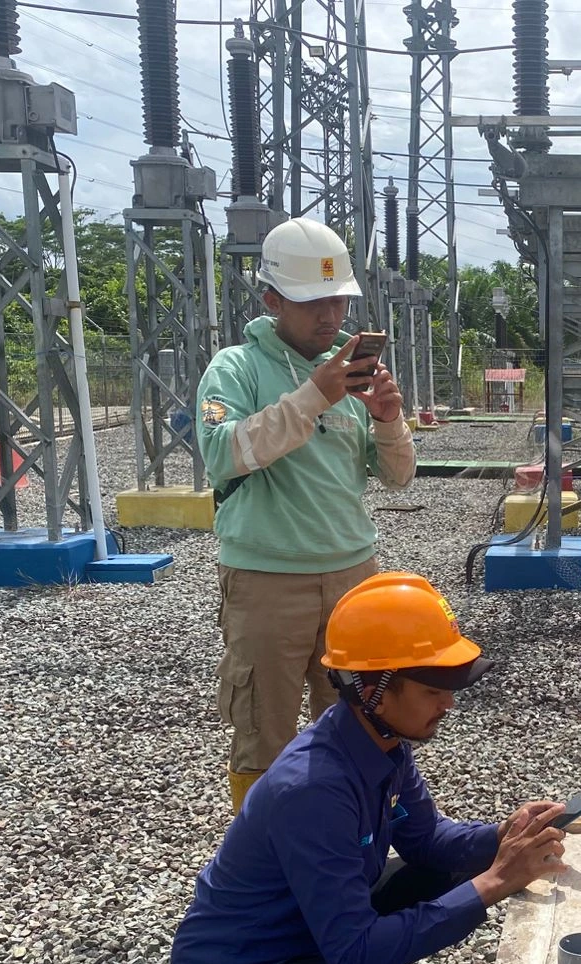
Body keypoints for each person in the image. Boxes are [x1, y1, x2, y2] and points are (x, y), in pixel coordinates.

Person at [169, 572, 568, 964]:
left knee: (435, 875)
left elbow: (429, 842)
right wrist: (495, 882)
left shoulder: (382, 744)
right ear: (375, 688)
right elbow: (354, 955)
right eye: (432, 690)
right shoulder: (313, 789)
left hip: (301, 936)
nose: (447, 705)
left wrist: (503, 835)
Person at [195, 216, 417, 812]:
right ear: (271, 300)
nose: (331, 317)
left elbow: (397, 476)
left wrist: (389, 420)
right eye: (312, 302)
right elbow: (223, 453)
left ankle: (350, 846)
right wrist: (315, 394)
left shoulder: (346, 372)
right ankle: (261, 868)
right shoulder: (236, 369)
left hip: (353, 577)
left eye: (339, 301)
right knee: (265, 735)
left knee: (360, 728)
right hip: (267, 579)